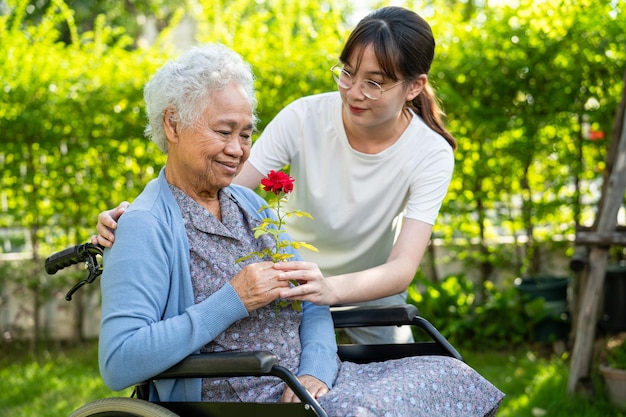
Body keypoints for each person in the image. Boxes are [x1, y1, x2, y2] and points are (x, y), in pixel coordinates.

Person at [98, 41, 503, 417]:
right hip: (251, 396)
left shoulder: (250, 206)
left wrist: (317, 373)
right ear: (172, 125)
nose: (238, 149)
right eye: (223, 132)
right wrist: (233, 299)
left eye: (245, 134)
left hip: (308, 387)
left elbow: (310, 301)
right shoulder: (145, 226)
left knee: (446, 373)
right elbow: (119, 363)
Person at [95, 7, 455, 345]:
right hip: (291, 287)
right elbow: (215, 191)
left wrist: (329, 288)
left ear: (414, 87)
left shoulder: (430, 152)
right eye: (347, 72)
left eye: (374, 83)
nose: (353, 92)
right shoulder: (304, 117)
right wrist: (140, 218)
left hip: (368, 292)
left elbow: (402, 268)